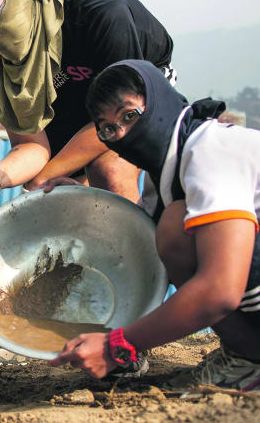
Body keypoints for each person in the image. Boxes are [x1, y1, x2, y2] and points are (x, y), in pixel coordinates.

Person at [49, 60, 260, 391]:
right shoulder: (166, 171)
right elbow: (139, 238)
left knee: (175, 227)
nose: (121, 133)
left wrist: (117, 344)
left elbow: (220, 290)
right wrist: (81, 198)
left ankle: (250, 359)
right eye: (108, 128)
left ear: (158, 101)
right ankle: (245, 351)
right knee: (168, 227)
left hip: (232, 289)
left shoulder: (209, 153)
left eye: (129, 116)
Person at [0, 0, 175, 211]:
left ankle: (132, 246)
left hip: (135, 98)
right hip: (64, 108)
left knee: (108, 172)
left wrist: (44, 176)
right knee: (63, 200)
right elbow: (31, 145)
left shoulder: (99, 15)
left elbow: (121, 120)